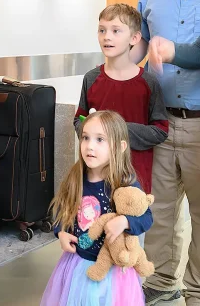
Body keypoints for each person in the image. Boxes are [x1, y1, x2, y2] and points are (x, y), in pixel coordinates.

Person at [132, 0, 200, 305]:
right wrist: (121, 50)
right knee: (159, 213)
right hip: (158, 122)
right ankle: (159, 284)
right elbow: (141, 36)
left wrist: (174, 50)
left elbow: (172, 48)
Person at [41, 110, 153, 306]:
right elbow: (63, 207)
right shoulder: (76, 177)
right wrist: (61, 232)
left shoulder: (124, 182)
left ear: (120, 147)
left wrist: (126, 221)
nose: (90, 146)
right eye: (85, 138)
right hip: (78, 264)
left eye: (100, 140)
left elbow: (147, 217)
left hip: (114, 274)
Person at [74, 3, 168, 195]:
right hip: (95, 178)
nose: (107, 36)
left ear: (134, 38)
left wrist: (118, 131)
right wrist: (92, 132)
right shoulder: (91, 79)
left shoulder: (148, 83)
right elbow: (79, 119)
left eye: (116, 31)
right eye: (102, 30)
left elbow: (160, 130)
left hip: (134, 179)